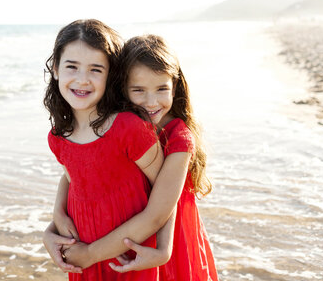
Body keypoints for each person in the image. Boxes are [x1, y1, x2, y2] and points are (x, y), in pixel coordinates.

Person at [47, 34, 219, 281]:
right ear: (121, 88)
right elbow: (75, 171)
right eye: (138, 90)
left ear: (175, 86)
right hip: (129, 235)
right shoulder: (120, 125)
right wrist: (55, 219)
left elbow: (160, 210)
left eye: (162, 89)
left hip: (164, 238)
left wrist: (164, 250)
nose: (151, 102)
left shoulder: (179, 138)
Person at [43, 20, 164, 280]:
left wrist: (164, 249)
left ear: (110, 75)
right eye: (71, 67)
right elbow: (73, 177)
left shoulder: (129, 128)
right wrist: (54, 221)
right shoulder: (57, 136)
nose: (82, 80)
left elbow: (166, 196)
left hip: (129, 259)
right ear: (55, 69)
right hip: (84, 260)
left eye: (96, 69)